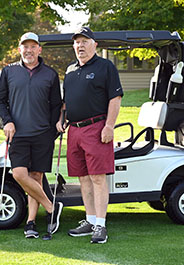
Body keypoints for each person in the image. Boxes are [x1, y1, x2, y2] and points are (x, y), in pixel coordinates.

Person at [57, 27, 123, 244]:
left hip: (97, 128)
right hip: (74, 130)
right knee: (83, 178)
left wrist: (109, 126)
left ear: (95, 44)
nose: (80, 45)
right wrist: (62, 119)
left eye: (85, 41)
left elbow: (115, 98)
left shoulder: (105, 67)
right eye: (77, 42)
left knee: (97, 177)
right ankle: (90, 220)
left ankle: (101, 226)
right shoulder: (70, 70)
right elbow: (67, 101)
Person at [0, 32, 63, 239]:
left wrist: (53, 129)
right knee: (19, 174)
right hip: (18, 134)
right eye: (25, 46)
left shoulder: (50, 74)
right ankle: (51, 207)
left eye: (33, 46)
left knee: (36, 177)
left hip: (43, 134)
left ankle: (31, 223)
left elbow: (55, 105)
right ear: (19, 49)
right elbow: (1, 100)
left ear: (39, 50)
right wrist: (7, 120)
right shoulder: (8, 71)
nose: (29, 50)